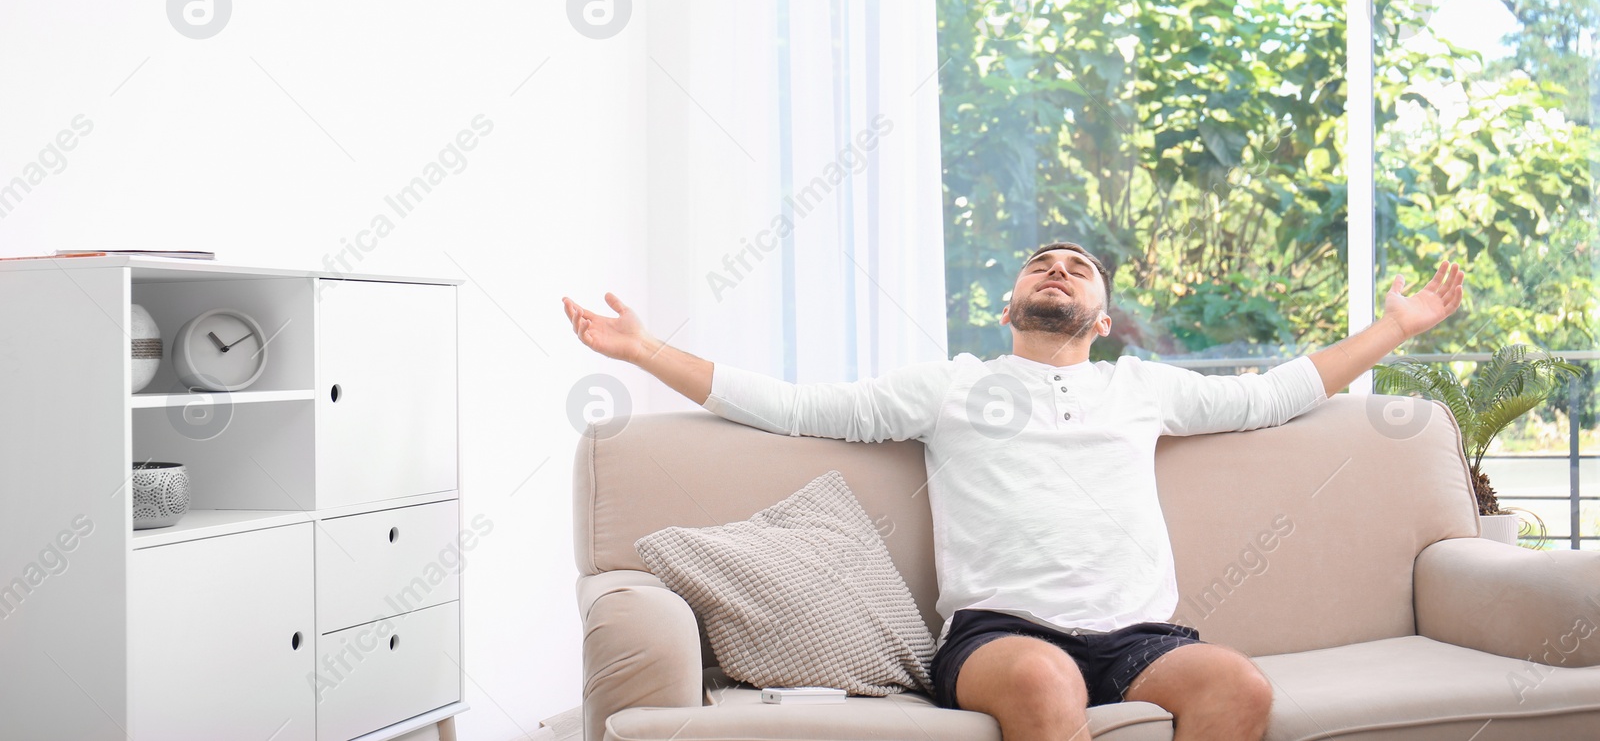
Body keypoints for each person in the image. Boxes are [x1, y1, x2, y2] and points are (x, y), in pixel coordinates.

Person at [562, 242, 1464, 741]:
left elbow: (1275, 392)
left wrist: (1392, 326)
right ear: (1008, 307)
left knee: (1237, 684)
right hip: (1003, 636)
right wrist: (645, 351)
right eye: (1042, 264)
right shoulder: (949, 385)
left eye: (1077, 268)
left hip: (1139, 638)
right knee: (1043, 677)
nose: (1057, 270)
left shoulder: (1142, 387)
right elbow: (794, 404)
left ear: (1102, 320)